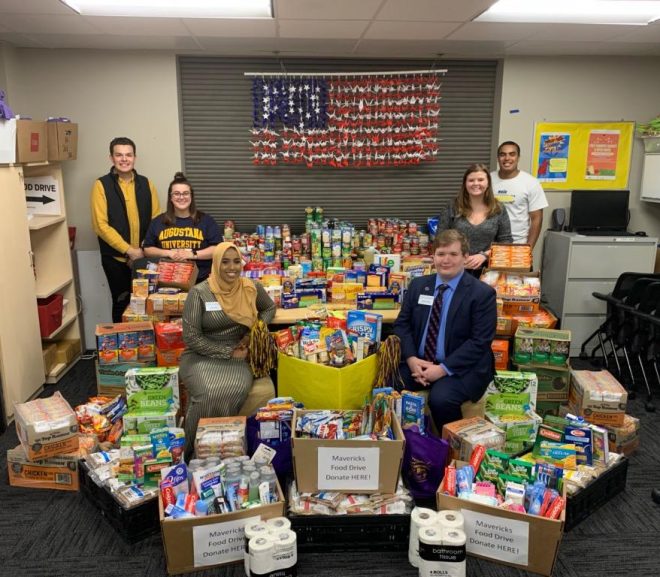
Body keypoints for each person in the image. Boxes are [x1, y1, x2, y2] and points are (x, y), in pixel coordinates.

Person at [393, 229, 497, 433]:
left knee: (441, 398)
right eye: (441, 254)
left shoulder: (482, 294)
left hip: (462, 367)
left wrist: (442, 369)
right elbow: (402, 325)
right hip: (420, 361)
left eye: (453, 254)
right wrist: (412, 359)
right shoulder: (418, 286)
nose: (446, 260)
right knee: (387, 384)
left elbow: (480, 342)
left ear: (465, 257)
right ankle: (403, 444)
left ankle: (450, 449)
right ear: (433, 257)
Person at [179, 242, 276, 452]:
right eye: (225, 262)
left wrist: (254, 332)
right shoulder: (199, 293)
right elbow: (191, 337)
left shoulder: (250, 288)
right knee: (208, 394)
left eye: (236, 261)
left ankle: (225, 448)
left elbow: (269, 308)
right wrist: (226, 352)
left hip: (239, 355)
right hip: (201, 355)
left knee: (236, 388)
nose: (232, 267)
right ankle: (192, 450)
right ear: (215, 263)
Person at [91, 137, 160, 322]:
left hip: (144, 257)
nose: (124, 159)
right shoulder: (101, 185)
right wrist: (129, 251)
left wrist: (141, 251)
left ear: (135, 157)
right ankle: (122, 348)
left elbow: (156, 221)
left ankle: (147, 348)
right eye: (119, 155)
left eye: (128, 155)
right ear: (111, 158)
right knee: (122, 302)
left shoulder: (147, 184)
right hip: (116, 260)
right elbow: (100, 225)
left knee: (148, 304)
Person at [142, 171, 221, 283]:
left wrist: (192, 254)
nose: (181, 197)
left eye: (185, 193)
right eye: (177, 194)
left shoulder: (206, 220)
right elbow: (147, 249)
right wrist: (168, 253)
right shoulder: (158, 222)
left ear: (191, 196)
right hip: (166, 282)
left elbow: (217, 249)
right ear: (170, 197)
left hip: (201, 281)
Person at [452, 163, 512, 276]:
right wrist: (457, 257)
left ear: (488, 183)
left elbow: (506, 242)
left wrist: (484, 255)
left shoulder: (498, 208)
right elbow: (441, 237)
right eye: (471, 180)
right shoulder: (453, 206)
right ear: (465, 183)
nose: (476, 184)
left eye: (480, 180)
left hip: (488, 272)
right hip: (457, 268)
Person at [491, 141, 548, 248]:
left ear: (518, 157)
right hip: (490, 244)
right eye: (503, 154)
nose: (507, 158)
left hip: (518, 244)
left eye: (512, 154)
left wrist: (528, 249)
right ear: (498, 158)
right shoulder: (487, 180)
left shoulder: (531, 183)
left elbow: (537, 219)